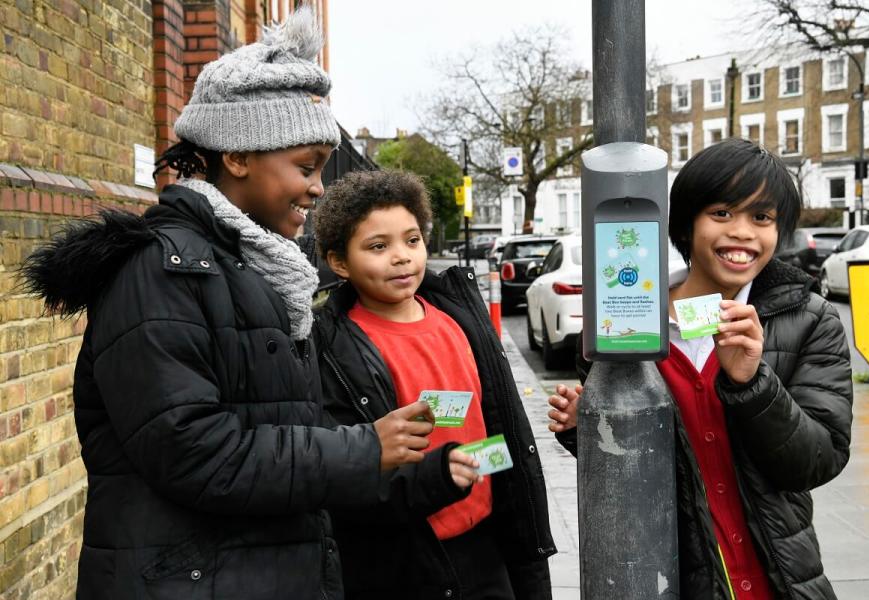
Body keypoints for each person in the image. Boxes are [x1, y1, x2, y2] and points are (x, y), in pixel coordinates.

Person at [22, 9, 433, 599]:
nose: (319, 187)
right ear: (238, 157)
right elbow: (193, 450)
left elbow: (279, 422)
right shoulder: (162, 271)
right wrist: (362, 448)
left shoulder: (260, 270)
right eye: (305, 166)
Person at [548, 138, 852, 599]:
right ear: (687, 224)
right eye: (722, 213)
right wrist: (587, 428)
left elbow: (817, 461)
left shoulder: (810, 320)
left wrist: (752, 383)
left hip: (781, 581)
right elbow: (633, 480)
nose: (744, 233)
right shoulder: (624, 323)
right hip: (680, 580)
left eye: (762, 217)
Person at [312, 170, 556, 600]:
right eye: (377, 246)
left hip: (487, 542)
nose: (402, 257)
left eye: (412, 240)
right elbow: (349, 471)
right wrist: (437, 475)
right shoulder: (334, 346)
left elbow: (492, 422)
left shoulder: (459, 321)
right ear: (339, 262)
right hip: (407, 556)